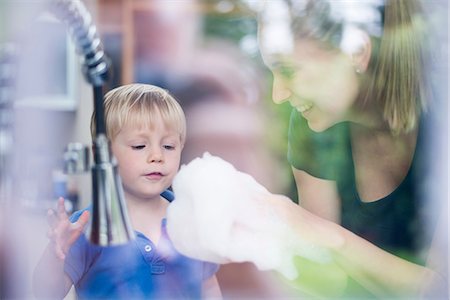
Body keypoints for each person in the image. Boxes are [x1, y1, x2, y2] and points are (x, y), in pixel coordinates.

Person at [255, 0, 447, 298]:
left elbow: (439, 290)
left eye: (289, 71)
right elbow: (323, 279)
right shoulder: (311, 120)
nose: (278, 95)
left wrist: (329, 238)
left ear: (356, 52)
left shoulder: (441, 129)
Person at [32, 84, 222, 299]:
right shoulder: (88, 228)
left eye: (168, 146)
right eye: (140, 146)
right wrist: (56, 255)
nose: (157, 156)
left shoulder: (190, 220)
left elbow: (208, 287)